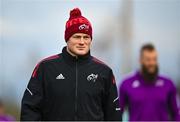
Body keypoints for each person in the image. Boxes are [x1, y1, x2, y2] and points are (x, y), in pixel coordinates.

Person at [21, 8, 122, 121]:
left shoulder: (104, 71)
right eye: (77, 37)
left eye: (86, 37)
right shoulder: (45, 68)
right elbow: (29, 109)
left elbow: (114, 115)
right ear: (67, 38)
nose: (82, 42)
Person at [119, 43, 180, 121]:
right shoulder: (126, 84)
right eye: (148, 59)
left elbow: (176, 113)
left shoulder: (168, 84)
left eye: (154, 59)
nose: (152, 63)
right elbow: (117, 113)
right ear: (140, 60)